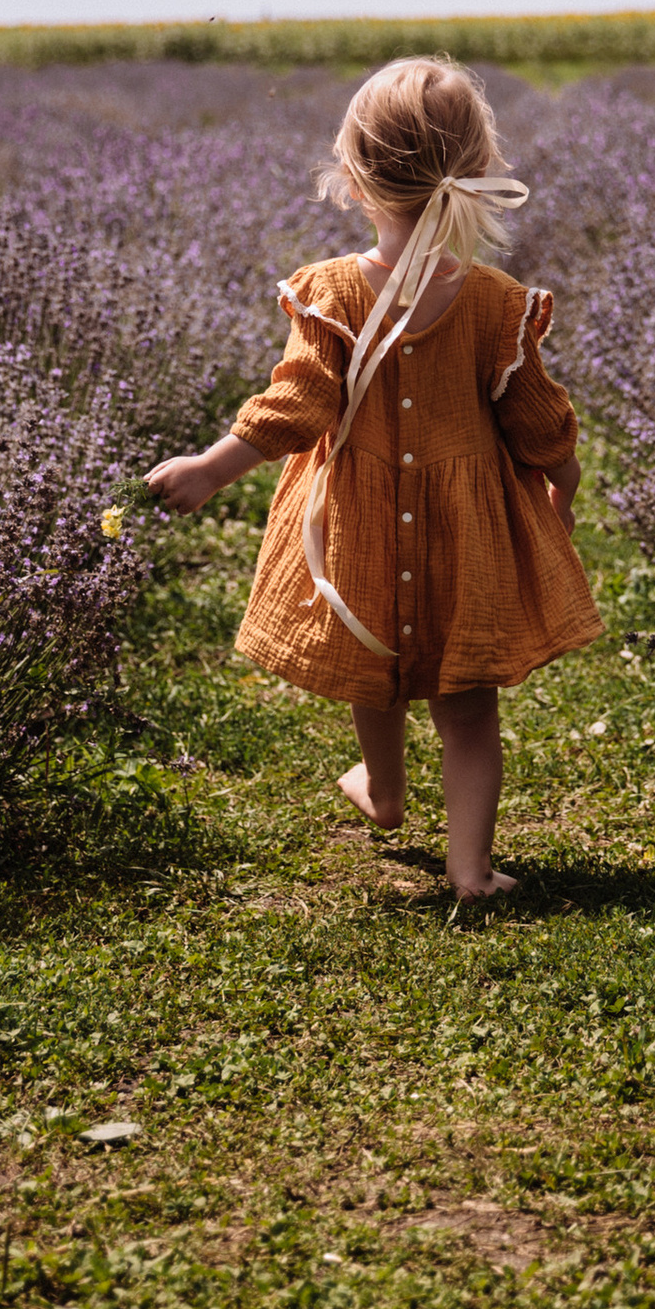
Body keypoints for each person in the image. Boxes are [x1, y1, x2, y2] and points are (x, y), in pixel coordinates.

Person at [146, 56, 601, 902]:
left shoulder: (331, 293)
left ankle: (385, 794)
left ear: (354, 177)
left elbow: (300, 403)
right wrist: (562, 478)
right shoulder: (494, 302)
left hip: (356, 515)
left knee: (373, 653)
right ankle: (470, 871)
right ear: (478, 170)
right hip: (465, 528)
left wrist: (214, 467)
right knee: (465, 705)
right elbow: (536, 418)